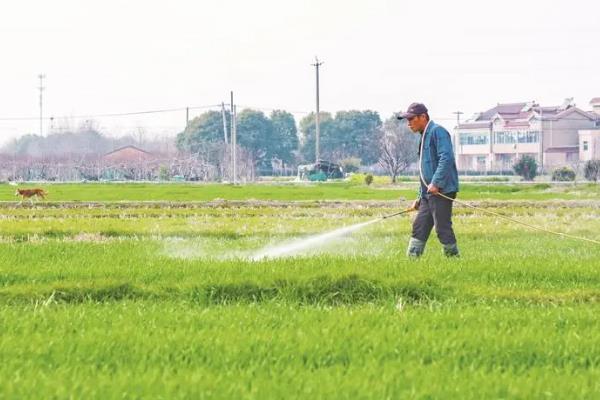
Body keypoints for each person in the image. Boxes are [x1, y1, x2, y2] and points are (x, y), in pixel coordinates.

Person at [397, 103, 460, 257]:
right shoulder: (424, 137)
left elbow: (446, 157)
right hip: (428, 193)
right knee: (420, 226)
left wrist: (437, 183)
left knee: (442, 228)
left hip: (442, 190)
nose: (408, 123)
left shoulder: (437, 132)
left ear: (423, 117)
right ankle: (411, 261)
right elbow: (424, 171)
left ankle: (454, 260)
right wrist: (420, 197)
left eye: (411, 119)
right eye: (407, 119)